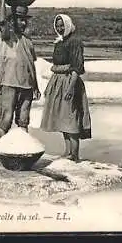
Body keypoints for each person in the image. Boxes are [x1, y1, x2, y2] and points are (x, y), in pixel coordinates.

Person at [40, 14, 91, 162]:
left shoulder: (75, 42)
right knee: (62, 117)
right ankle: (68, 151)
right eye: (57, 25)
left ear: (68, 25)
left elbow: (76, 67)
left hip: (70, 81)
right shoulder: (60, 42)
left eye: (62, 25)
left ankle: (74, 154)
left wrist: (70, 87)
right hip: (58, 81)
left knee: (70, 117)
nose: (60, 28)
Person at [0, 0, 41, 139]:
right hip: (9, 83)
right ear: (12, 21)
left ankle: (21, 152)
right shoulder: (7, 37)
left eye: (24, 20)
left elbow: (31, 65)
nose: (22, 23)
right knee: (5, 120)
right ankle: (2, 150)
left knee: (23, 121)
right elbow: (1, 21)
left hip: (27, 85)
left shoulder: (28, 41)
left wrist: (35, 86)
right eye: (18, 20)